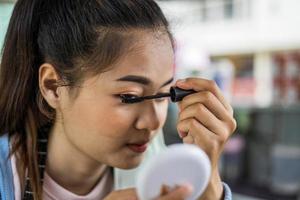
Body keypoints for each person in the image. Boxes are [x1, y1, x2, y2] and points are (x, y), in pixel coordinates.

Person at [0, 0, 236, 199]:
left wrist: (207, 177)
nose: (153, 122)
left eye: (165, 94)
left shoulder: (158, 168)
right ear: (53, 86)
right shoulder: (6, 176)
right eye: (130, 97)